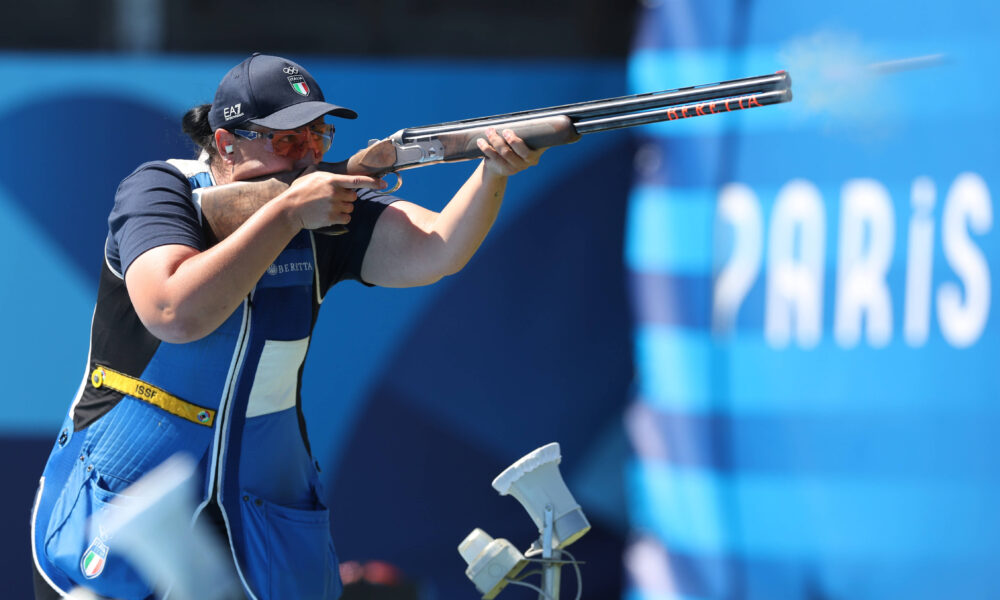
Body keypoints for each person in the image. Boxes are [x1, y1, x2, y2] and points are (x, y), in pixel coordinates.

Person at [30, 53, 544, 600]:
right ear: (226, 143)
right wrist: (287, 213)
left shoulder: (325, 205)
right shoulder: (162, 189)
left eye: (317, 137)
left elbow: (437, 249)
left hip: (261, 508)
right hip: (128, 492)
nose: (308, 155)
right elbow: (174, 312)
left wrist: (492, 172)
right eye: (286, 140)